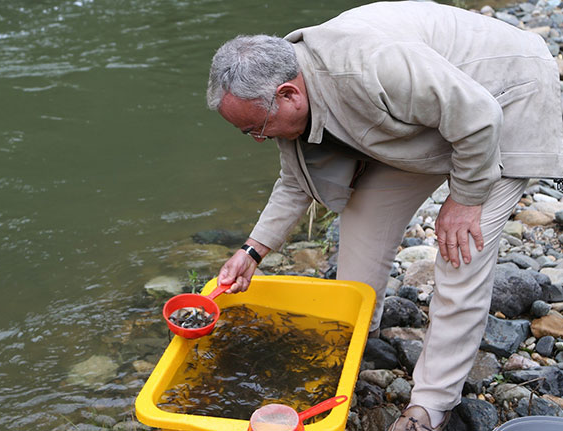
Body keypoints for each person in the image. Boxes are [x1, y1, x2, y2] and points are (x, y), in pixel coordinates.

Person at [206, 1, 563, 430]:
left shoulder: (371, 66)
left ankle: (430, 407)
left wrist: (465, 198)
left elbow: (478, 115)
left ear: (289, 95)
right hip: (425, 121)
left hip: (505, 101)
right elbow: (294, 182)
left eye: (256, 128)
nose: (258, 139)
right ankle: (355, 342)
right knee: (361, 223)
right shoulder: (280, 84)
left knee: (459, 250)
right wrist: (251, 251)